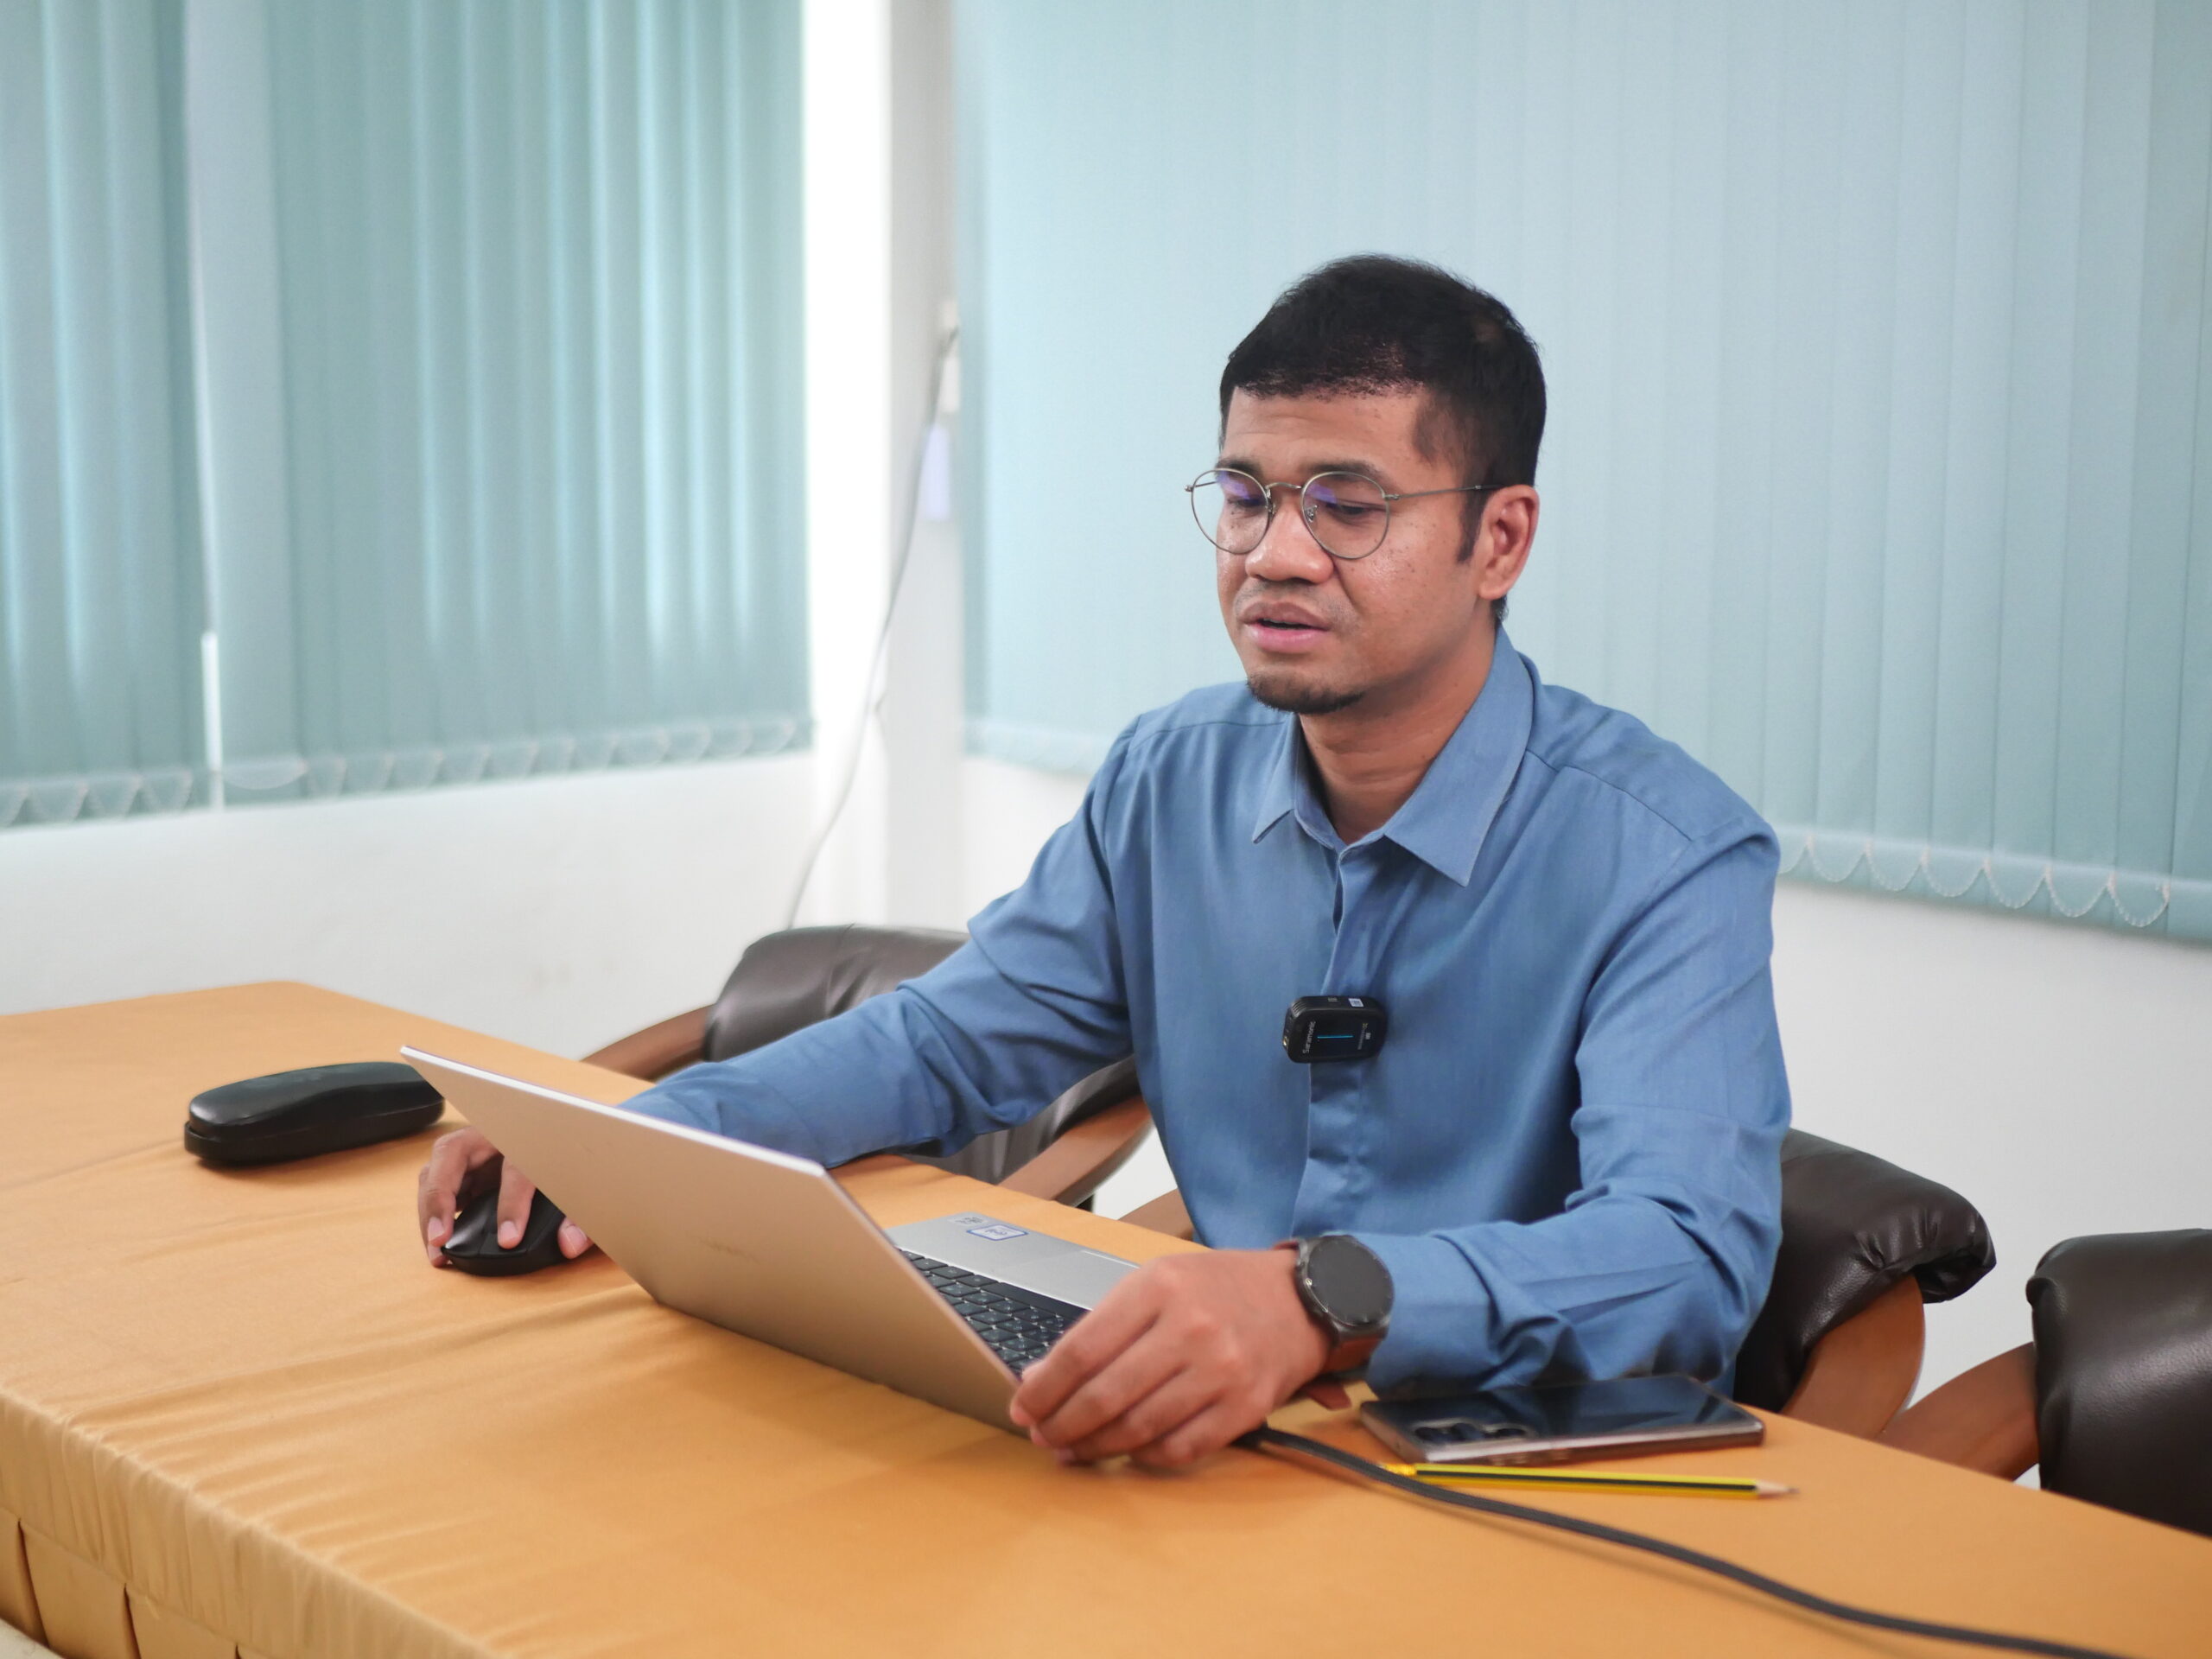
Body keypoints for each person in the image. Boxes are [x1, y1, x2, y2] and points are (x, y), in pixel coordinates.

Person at [418, 254, 1789, 1471]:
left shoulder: (1667, 857)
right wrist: (639, 1139)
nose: (1277, 555)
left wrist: (1319, 1299)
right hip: (1209, 1443)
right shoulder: (1167, 778)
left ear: (1499, 540)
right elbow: (949, 1043)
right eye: (1245, 496)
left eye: (1348, 507)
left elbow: (1685, 1253)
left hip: (1511, 1476)